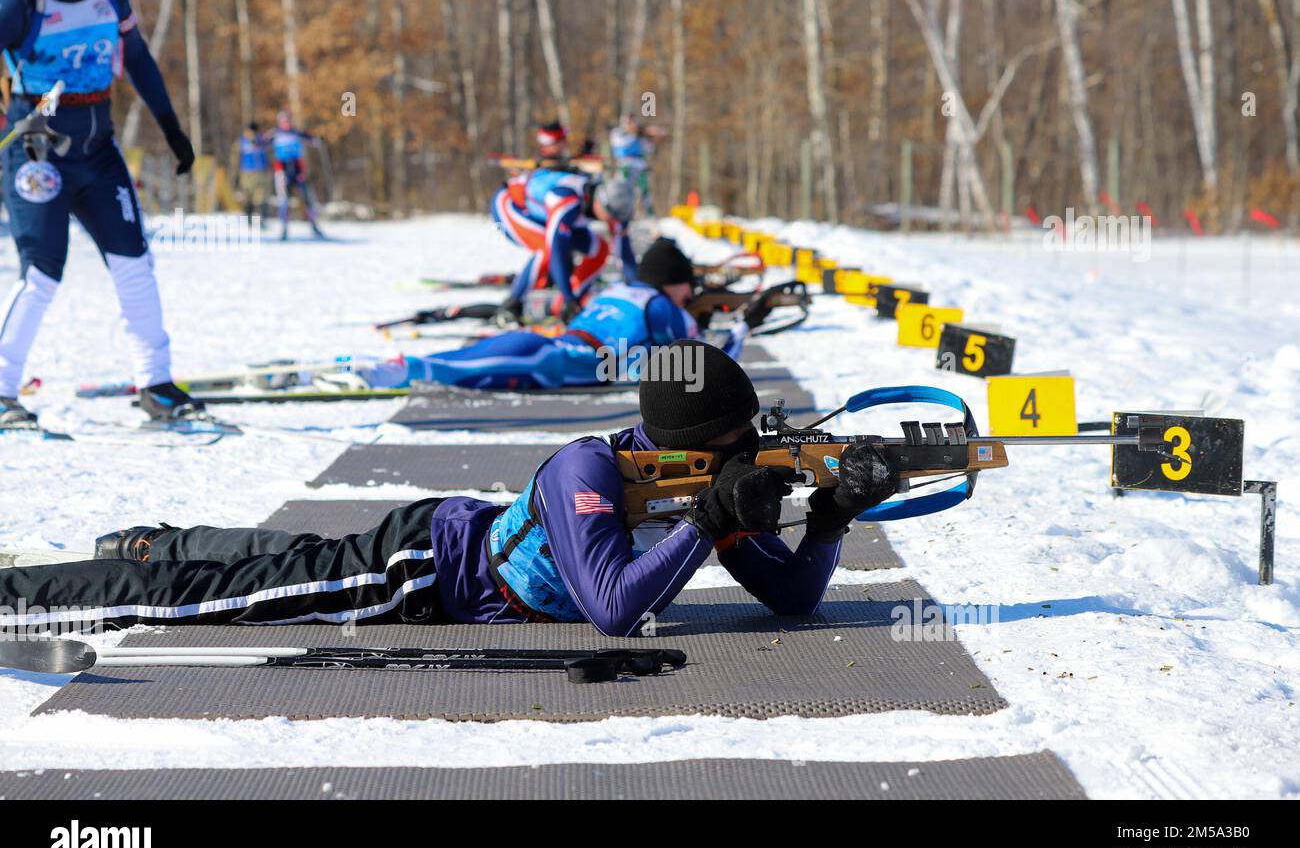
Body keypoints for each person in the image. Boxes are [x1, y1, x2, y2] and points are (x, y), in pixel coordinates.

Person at [0, 342, 897, 636]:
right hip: (422, 575)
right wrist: (706, 520)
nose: (754, 452)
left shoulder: (700, 481)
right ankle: (31, 595)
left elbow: (789, 598)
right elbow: (616, 611)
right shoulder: (589, 468)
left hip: (447, 533)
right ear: (703, 442)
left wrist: (830, 516)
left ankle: (151, 538)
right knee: (218, 602)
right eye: (743, 439)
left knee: (288, 561)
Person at [0, 0, 202, 427]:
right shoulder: (23, 0)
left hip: (98, 151)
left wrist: (172, 128)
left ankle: (155, 384)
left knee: (135, 262)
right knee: (42, 273)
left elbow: (137, 60)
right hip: (37, 153)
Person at [348, 237, 739, 390]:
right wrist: (738, 333)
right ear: (671, 281)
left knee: (483, 355)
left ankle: (399, 365)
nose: (691, 292)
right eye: (686, 284)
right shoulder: (664, 307)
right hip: (581, 360)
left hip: (558, 340)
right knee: (490, 368)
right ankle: (409, 370)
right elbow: (697, 364)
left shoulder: (621, 288)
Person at [491, 124, 638, 324]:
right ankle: (511, 306)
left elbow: (624, 252)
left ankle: (569, 302)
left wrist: (639, 291)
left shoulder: (613, 204)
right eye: (610, 217)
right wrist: (567, 296)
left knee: (599, 248)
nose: (612, 223)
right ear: (601, 204)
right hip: (511, 207)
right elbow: (557, 250)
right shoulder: (566, 199)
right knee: (546, 249)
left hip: (544, 214)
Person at [270, 108, 325, 241]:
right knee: (284, 201)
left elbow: (311, 139)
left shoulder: (296, 133)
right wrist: (254, 142)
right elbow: (261, 143)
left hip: (297, 169)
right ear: (279, 122)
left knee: (307, 199)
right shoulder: (274, 134)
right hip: (282, 170)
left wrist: (317, 140)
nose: (286, 123)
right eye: (283, 121)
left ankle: (314, 226)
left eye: (288, 120)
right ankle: (284, 229)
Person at [608, 113, 663, 217]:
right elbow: (620, 144)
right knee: (624, 191)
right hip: (625, 166)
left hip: (640, 166)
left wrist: (652, 140)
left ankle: (650, 216)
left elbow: (648, 150)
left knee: (645, 192)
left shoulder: (639, 136)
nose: (632, 125)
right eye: (629, 122)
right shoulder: (618, 134)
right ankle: (623, 214)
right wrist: (636, 133)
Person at [231, 122, 271, 222]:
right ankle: (249, 219)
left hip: (261, 172)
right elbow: (235, 158)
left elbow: (270, 155)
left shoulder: (263, 141)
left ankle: (261, 219)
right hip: (247, 173)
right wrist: (236, 174)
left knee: (261, 197)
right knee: (248, 197)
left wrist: (270, 168)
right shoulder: (241, 142)